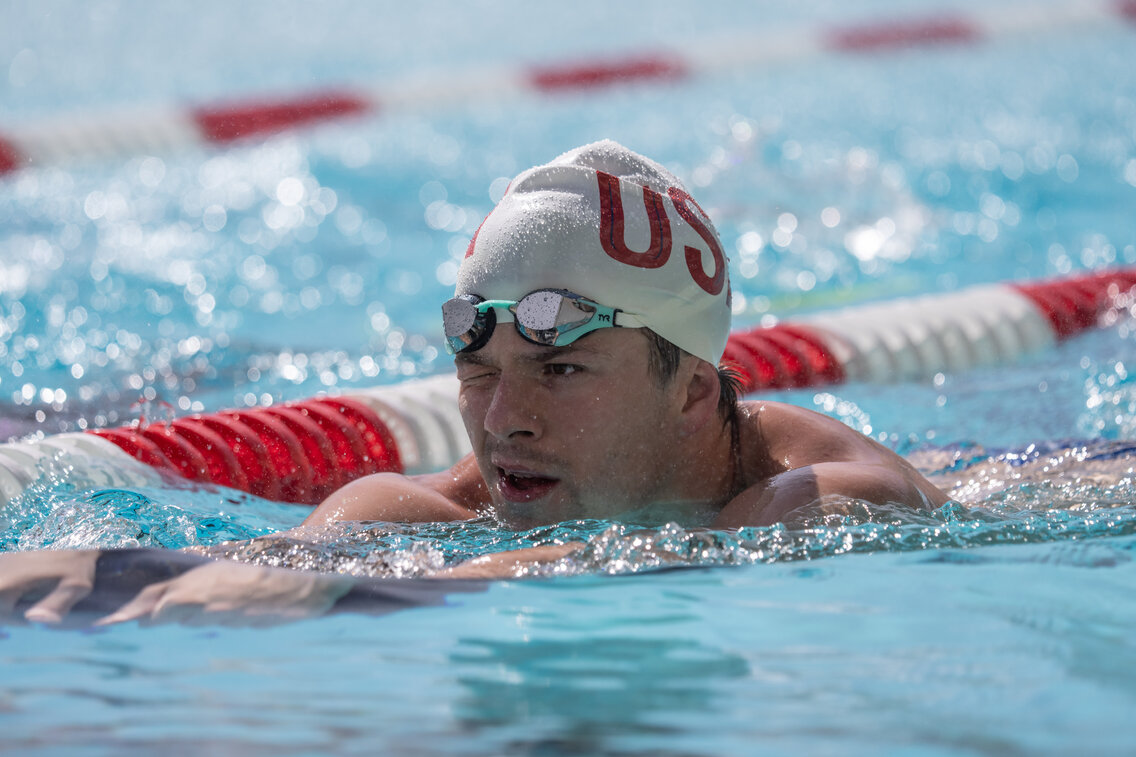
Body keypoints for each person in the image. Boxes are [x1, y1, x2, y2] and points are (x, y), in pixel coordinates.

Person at [0, 140, 949, 625]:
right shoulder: (413, 507)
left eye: (561, 368)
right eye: (477, 370)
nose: (502, 423)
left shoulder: (828, 501)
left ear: (695, 391)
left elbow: (631, 570)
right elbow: (250, 572)